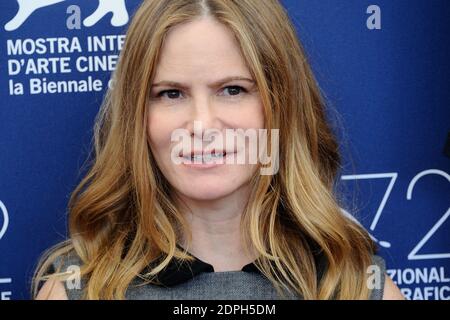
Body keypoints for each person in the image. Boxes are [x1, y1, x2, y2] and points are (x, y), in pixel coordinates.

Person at [33, 0, 404, 300]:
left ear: (283, 107)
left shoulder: (354, 285)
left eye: (232, 90)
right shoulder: (80, 289)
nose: (202, 126)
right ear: (137, 119)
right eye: (171, 94)